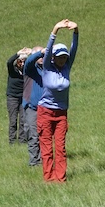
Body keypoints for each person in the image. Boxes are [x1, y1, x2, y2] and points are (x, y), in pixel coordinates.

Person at [37, 19, 78, 182]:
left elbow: (75, 49)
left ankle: (60, 178)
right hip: (45, 112)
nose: (62, 60)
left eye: (64, 57)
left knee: (60, 147)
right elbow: (47, 51)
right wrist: (55, 29)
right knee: (47, 147)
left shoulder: (67, 67)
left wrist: (76, 31)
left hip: (61, 114)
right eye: (59, 57)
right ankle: (49, 178)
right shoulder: (47, 67)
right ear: (53, 57)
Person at [23, 46, 44, 166]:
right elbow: (30, 61)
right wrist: (39, 53)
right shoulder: (29, 68)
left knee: (44, 135)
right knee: (33, 135)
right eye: (39, 56)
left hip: (45, 107)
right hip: (32, 107)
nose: (42, 58)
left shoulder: (46, 68)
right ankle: (34, 162)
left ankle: (43, 159)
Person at [6, 47, 31, 145]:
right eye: (20, 61)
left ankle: (22, 140)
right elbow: (9, 62)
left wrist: (31, 53)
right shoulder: (12, 70)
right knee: (13, 120)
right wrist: (18, 53)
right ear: (17, 62)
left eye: (25, 61)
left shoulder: (27, 71)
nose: (22, 64)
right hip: (12, 97)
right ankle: (12, 141)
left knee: (23, 120)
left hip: (23, 97)